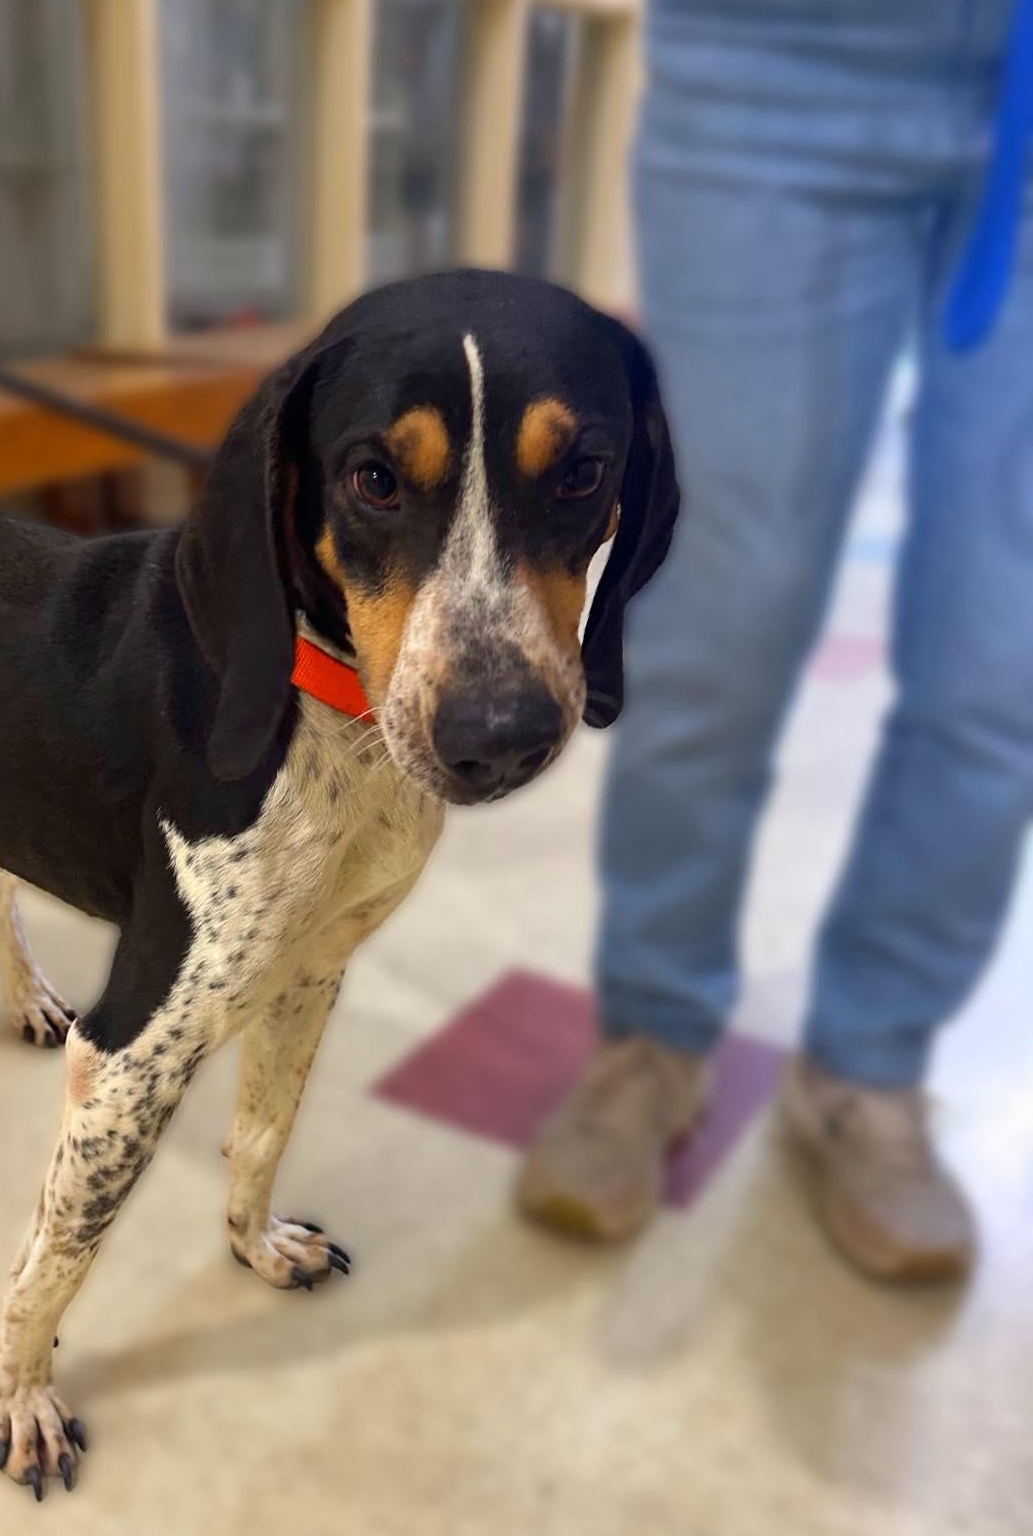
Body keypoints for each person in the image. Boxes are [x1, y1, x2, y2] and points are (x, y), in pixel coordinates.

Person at [518, 0, 1033, 1283]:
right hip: (777, 62)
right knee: (713, 624)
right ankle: (652, 1034)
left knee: (1003, 665)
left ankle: (870, 1066)